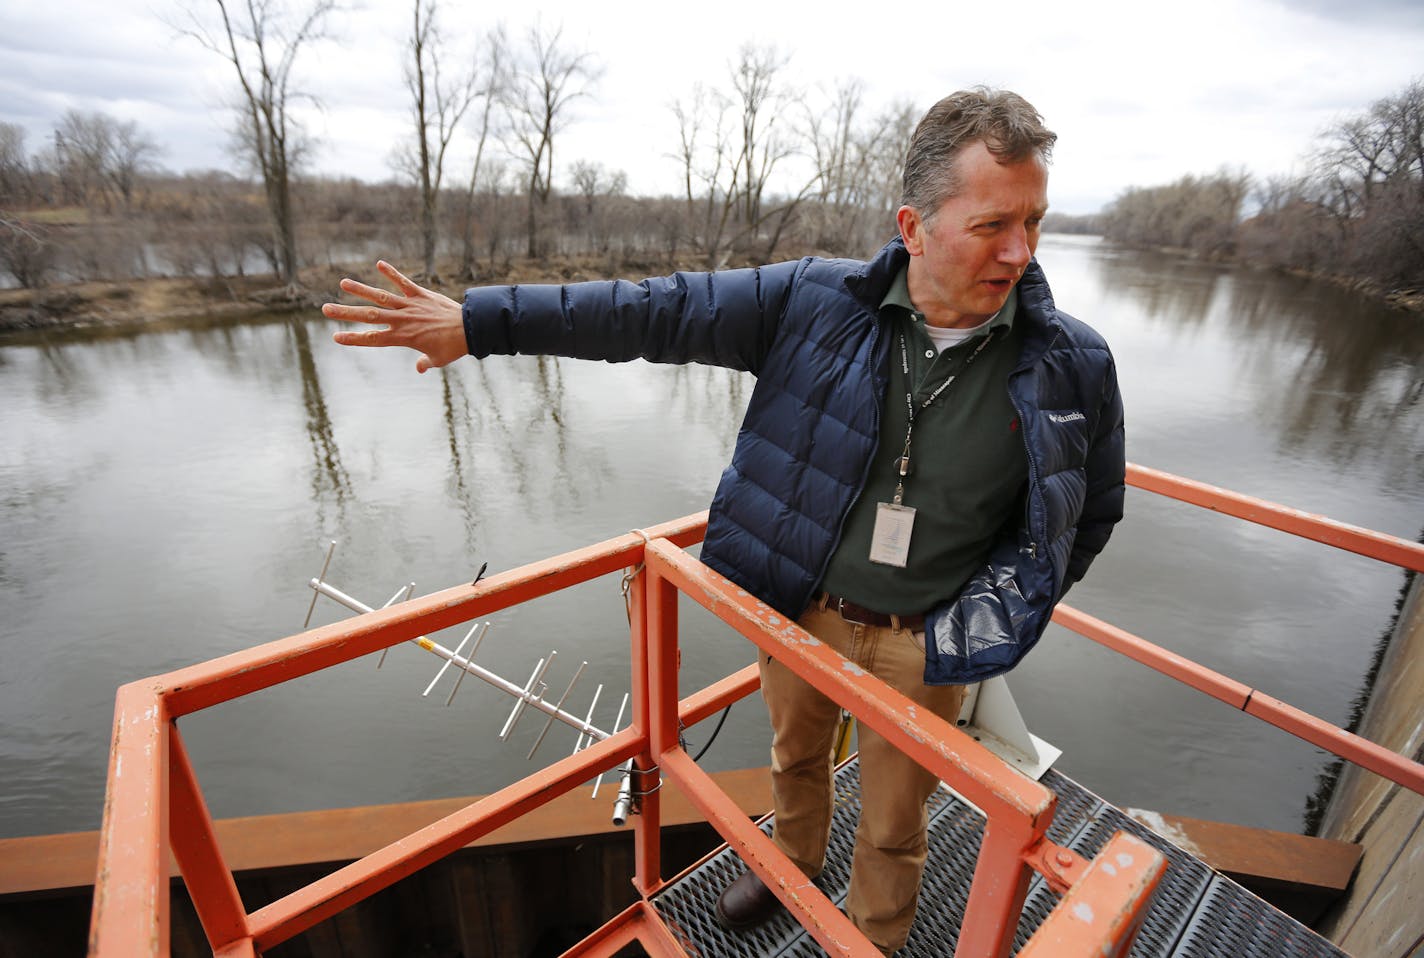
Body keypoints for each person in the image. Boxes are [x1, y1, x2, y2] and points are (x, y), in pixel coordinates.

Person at [323, 87, 1125, 956]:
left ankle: (872, 937)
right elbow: (649, 309)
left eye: (1034, 222)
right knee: (793, 761)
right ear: (914, 224)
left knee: (896, 818)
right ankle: (792, 869)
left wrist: (974, 627)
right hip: (803, 612)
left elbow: (1084, 517)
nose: (1020, 252)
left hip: (927, 643)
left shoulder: (1069, 363)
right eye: (992, 225)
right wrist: (478, 324)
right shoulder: (815, 304)